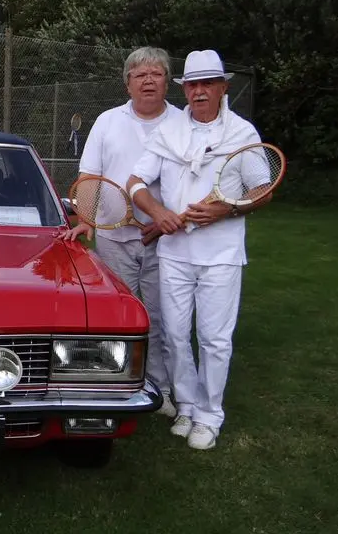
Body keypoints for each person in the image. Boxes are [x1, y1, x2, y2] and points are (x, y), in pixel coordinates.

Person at [126, 49, 273, 450]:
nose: (200, 91)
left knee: (214, 339)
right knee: (175, 335)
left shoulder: (242, 133)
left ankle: (210, 415)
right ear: (185, 89)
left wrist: (226, 210)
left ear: (223, 87)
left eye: (208, 83)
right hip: (174, 253)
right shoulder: (169, 132)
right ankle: (187, 406)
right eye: (193, 85)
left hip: (221, 255)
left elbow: (262, 191)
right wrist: (159, 213)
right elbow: (136, 181)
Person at [60, 46, 181, 418]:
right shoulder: (108, 121)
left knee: (161, 318)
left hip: (167, 241)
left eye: (156, 74)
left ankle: (160, 389)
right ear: (128, 83)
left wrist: (168, 221)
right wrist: (87, 219)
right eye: (140, 75)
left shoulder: (182, 122)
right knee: (117, 316)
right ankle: (115, 384)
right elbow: (90, 176)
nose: (148, 81)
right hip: (114, 239)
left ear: (167, 82)